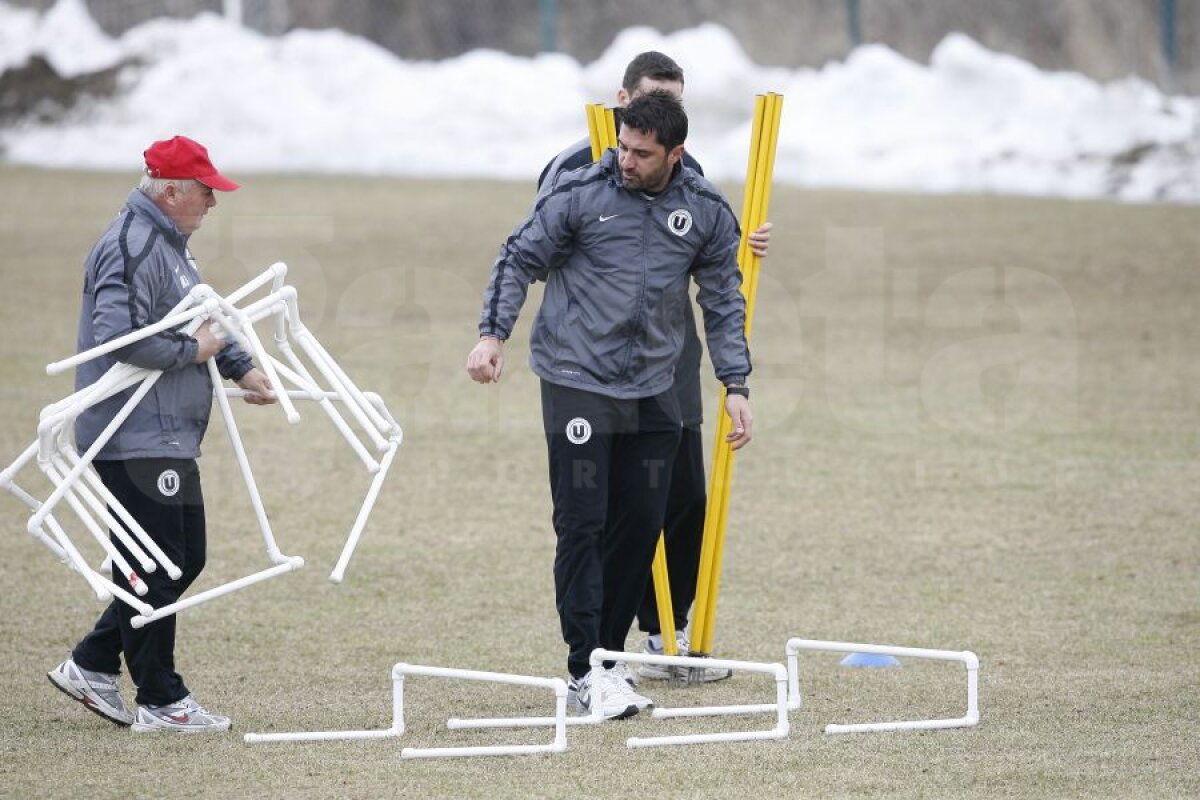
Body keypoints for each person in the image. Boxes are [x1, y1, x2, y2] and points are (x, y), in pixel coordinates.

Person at [467, 90, 753, 719]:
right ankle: (584, 669)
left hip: (654, 390)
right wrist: (493, 334)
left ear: (675, 154)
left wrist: (735, 384)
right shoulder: (579, 194)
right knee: (582, 522)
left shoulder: (703, 210)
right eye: (622, 145)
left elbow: (724, 298)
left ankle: (609, 658)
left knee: (642, 521)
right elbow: (518, 257)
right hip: (576, 379)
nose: (625, 159)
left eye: (642, 153)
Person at [537, 51, 772, 683]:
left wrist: (739, 241)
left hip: (669, 369)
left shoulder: (684, 168)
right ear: (622, 100)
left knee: (678, 502)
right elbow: (549, 243)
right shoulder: (575, 167)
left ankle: (665, 633)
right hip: (593, 372)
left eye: (674, 103)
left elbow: (707, 251)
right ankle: (612, 649)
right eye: (649, 100)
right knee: (599, 513)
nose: (659, 114)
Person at [46, 135, 276, 734]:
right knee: (159, 562)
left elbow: (203, 318)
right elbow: (118, 338)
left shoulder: (171, 246)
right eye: (205, 192)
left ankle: (93, 662)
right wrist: (193, 350)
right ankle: (160, 698)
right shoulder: (130, 245)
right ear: (170, 191)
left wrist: (242, 367)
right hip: (132, 430)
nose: (212, 203)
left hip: (167, 432)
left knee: (181, 557)